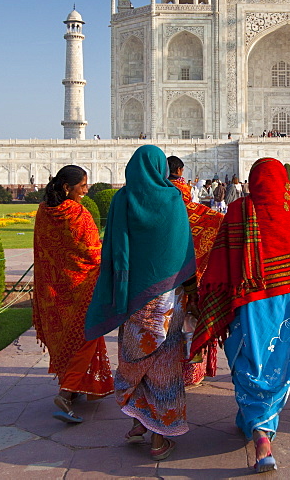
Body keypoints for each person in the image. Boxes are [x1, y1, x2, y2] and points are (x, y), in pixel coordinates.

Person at [191, 158, 290, 473]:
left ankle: (259, 431)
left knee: (250, 358)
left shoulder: (238, 212)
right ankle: (260, 429)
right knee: (279, 362)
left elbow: (221, 263)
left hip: (250, 304)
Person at [85, 145, 195, 461]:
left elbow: (117, 249)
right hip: (168, 299)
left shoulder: (122, 199)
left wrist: (118, 291)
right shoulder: (173, 198)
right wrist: (190, 287)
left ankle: (138, 424)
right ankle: (159, 439)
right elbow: (182, 247)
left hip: (134, 297)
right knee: (163, 365)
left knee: (136, 358)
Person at [33, 165, 114, 424]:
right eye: (82, 186)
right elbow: (93, 252)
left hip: (53, 289)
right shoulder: (77, 213)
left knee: (67, 336)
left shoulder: (43, 212)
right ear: (68, 188)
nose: (86, 191)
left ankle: (74, 387)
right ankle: (66, 392)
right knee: (87, 337)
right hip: (81, 288)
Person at [166, 155, 225, 387]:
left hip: (164, 278)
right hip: (193, 275)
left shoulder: (155, 204)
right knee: (192, 322)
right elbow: (215, 225)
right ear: (181, 171)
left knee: (168, 325)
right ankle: (192, 372)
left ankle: (166, 370)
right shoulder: (197, 211)